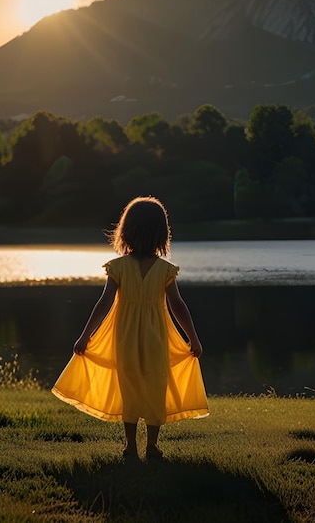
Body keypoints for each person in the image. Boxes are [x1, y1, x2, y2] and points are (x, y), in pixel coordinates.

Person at [52, 196, 208, 459]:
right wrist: (193, 338)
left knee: (130, 385)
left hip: (123, 335)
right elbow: (178, 306)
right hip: (156, 335)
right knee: (155, 384)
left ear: (126, 231)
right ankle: (151, 446)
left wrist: (85, 335)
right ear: (162, 233)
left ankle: (131, 446)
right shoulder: (164, 269)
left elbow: (103, 303)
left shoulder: (120, 267)